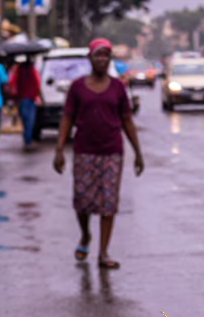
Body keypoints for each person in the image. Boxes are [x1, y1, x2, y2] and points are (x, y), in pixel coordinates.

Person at [52, 38, 145, 270]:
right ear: (90, 59)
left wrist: (138, 152)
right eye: (98, 55)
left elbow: (127, 120)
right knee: (82, 202)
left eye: (106, 56)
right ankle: (85, 235)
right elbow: (67, 118)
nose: (102, 60)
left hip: (112, 151)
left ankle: (103, 253)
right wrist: (59, 149)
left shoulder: (117, 88)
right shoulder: (77, 87)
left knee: (108, 203)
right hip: (84, 150)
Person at [12, 55, 42, 151]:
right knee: (30, 120)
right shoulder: (32, 70)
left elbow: (13, 83)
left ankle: (27, 139)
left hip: (21, 98)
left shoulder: (18, 70)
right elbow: (37, 83)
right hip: (30, 98)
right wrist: (39, 96)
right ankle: (28, 141)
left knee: (25, 121)